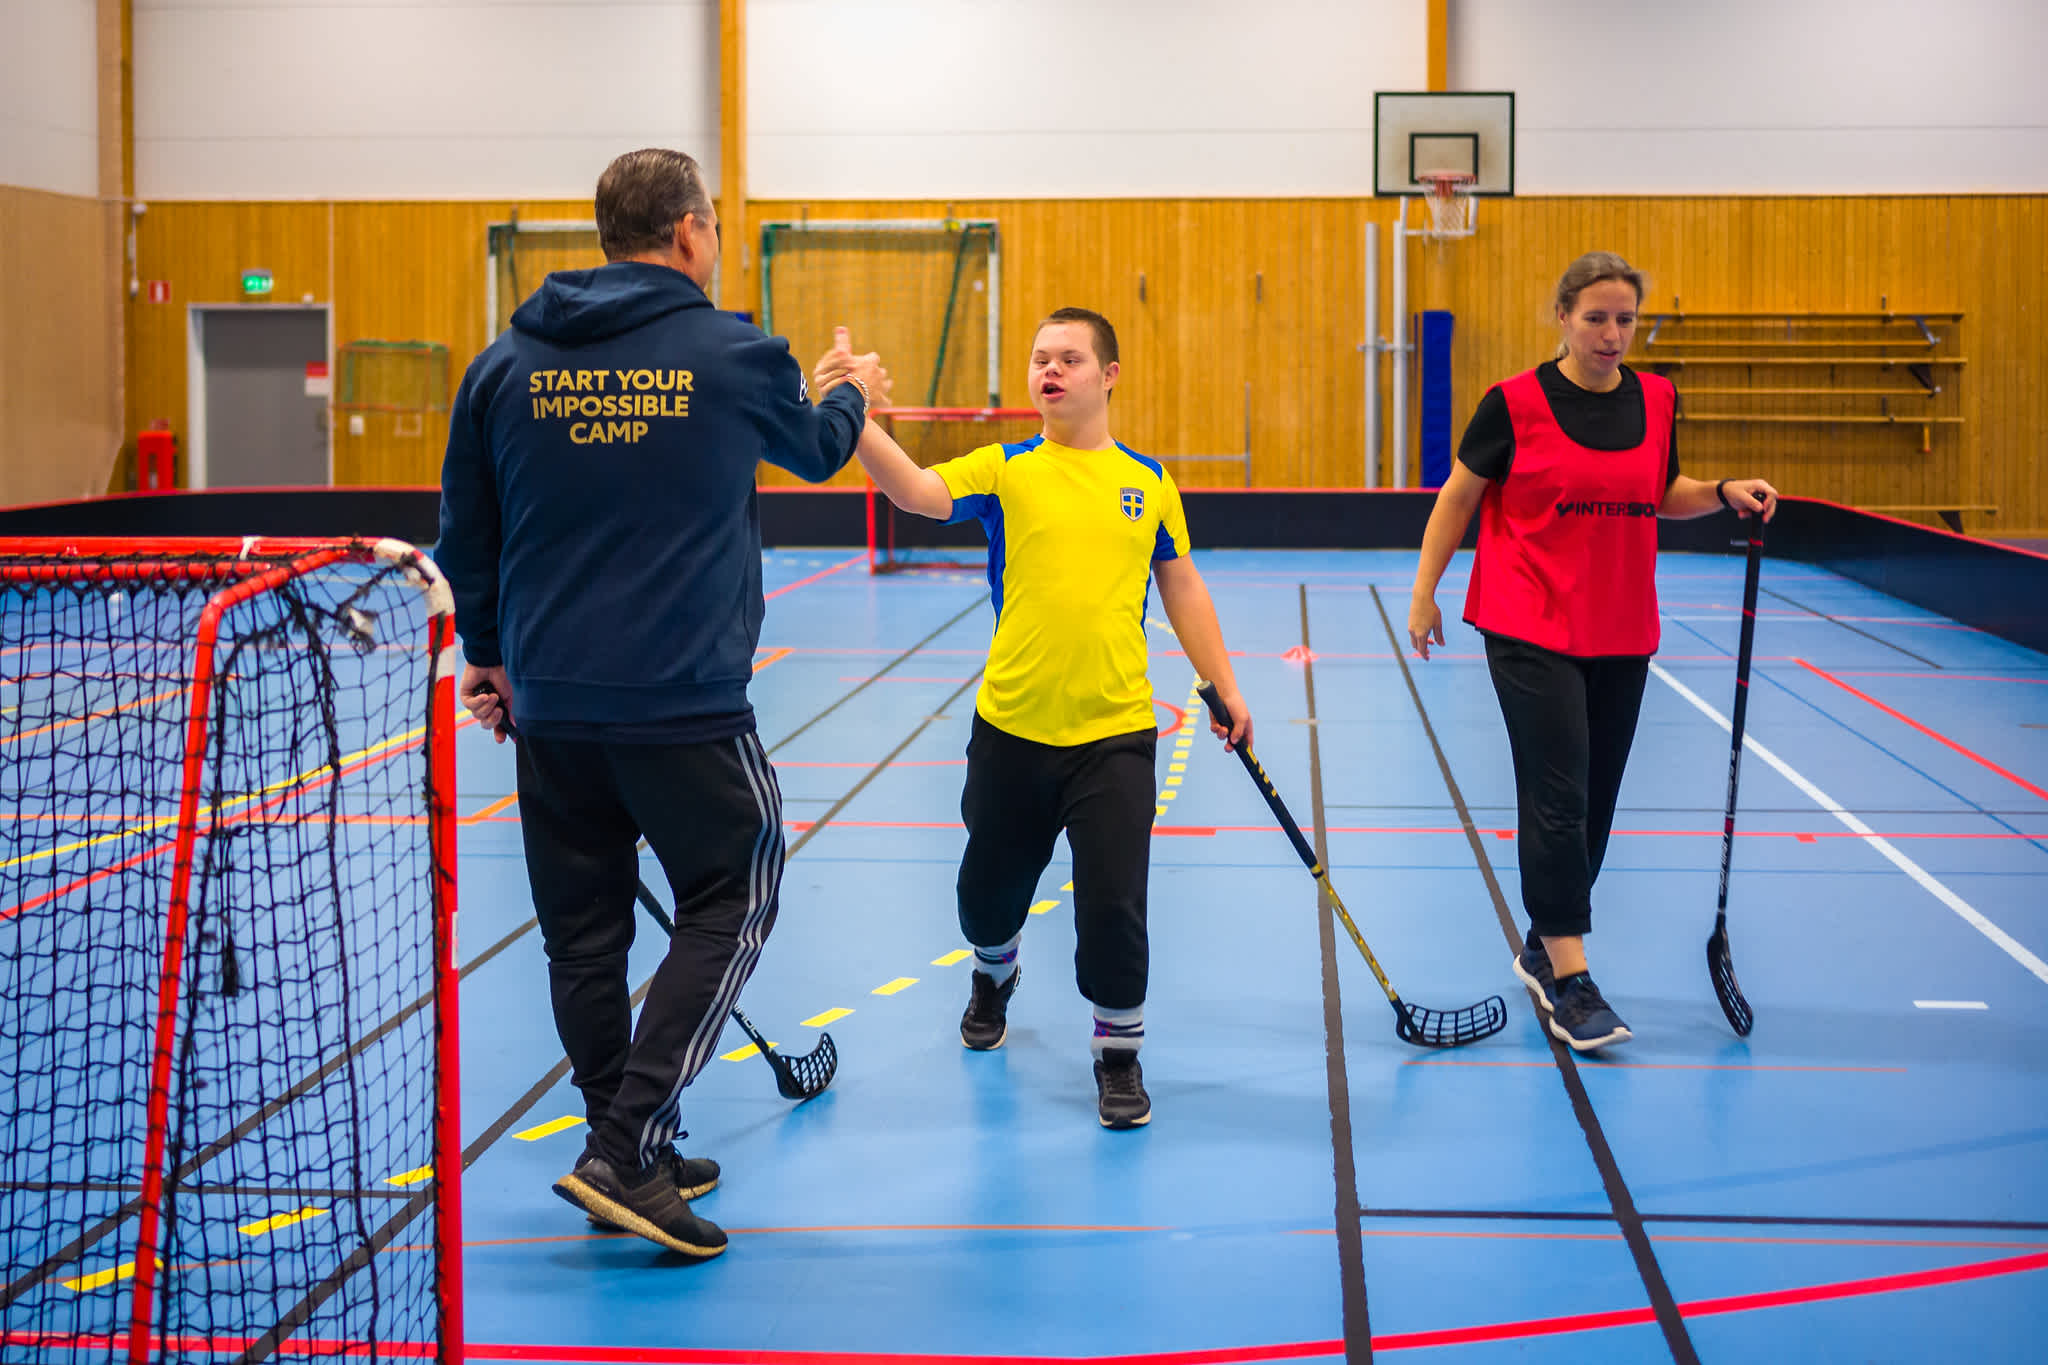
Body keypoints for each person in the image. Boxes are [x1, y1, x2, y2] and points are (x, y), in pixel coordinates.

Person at [434, 147, 889, 1259]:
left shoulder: (504, 364)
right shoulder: (733, 353)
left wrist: (488, 661)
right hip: (681, 701)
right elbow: (822, 452)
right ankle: (628, 1145)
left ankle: (623, 1140)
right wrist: (850, 394)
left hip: (549, 705)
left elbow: (468, 532)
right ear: (689, 233)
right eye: (716, 228)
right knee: (735, 892)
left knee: (582, 937)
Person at [823, 307, 1251, 1129]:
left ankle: (1118, 1053)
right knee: (987, 895)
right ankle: (993, 970)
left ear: (1109, 375)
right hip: (1012, 730)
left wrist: (1224, 684)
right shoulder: (1007, 468)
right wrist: (858, 415)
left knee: (1115, 903)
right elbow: (915, 491)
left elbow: (1183, 586)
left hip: (1116, 734)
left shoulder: (1150, 483)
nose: (1049, 371)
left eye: (1069, 358)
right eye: (1039, 359)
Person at [1406, 251, 1778, 1053]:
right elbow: (1459, 496)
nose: (1612, 334)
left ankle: (1546, 940)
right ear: (1563, 318)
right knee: (1558, 792)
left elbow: (1661, 491)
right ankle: (1572, 982)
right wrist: (1424, 589)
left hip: (1620, 626)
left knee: (1595, 804)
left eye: (1625, 319)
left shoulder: (1657, 397)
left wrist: (1719, 492)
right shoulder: (1513, 403)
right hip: (1527, 620)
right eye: (1596, 318)